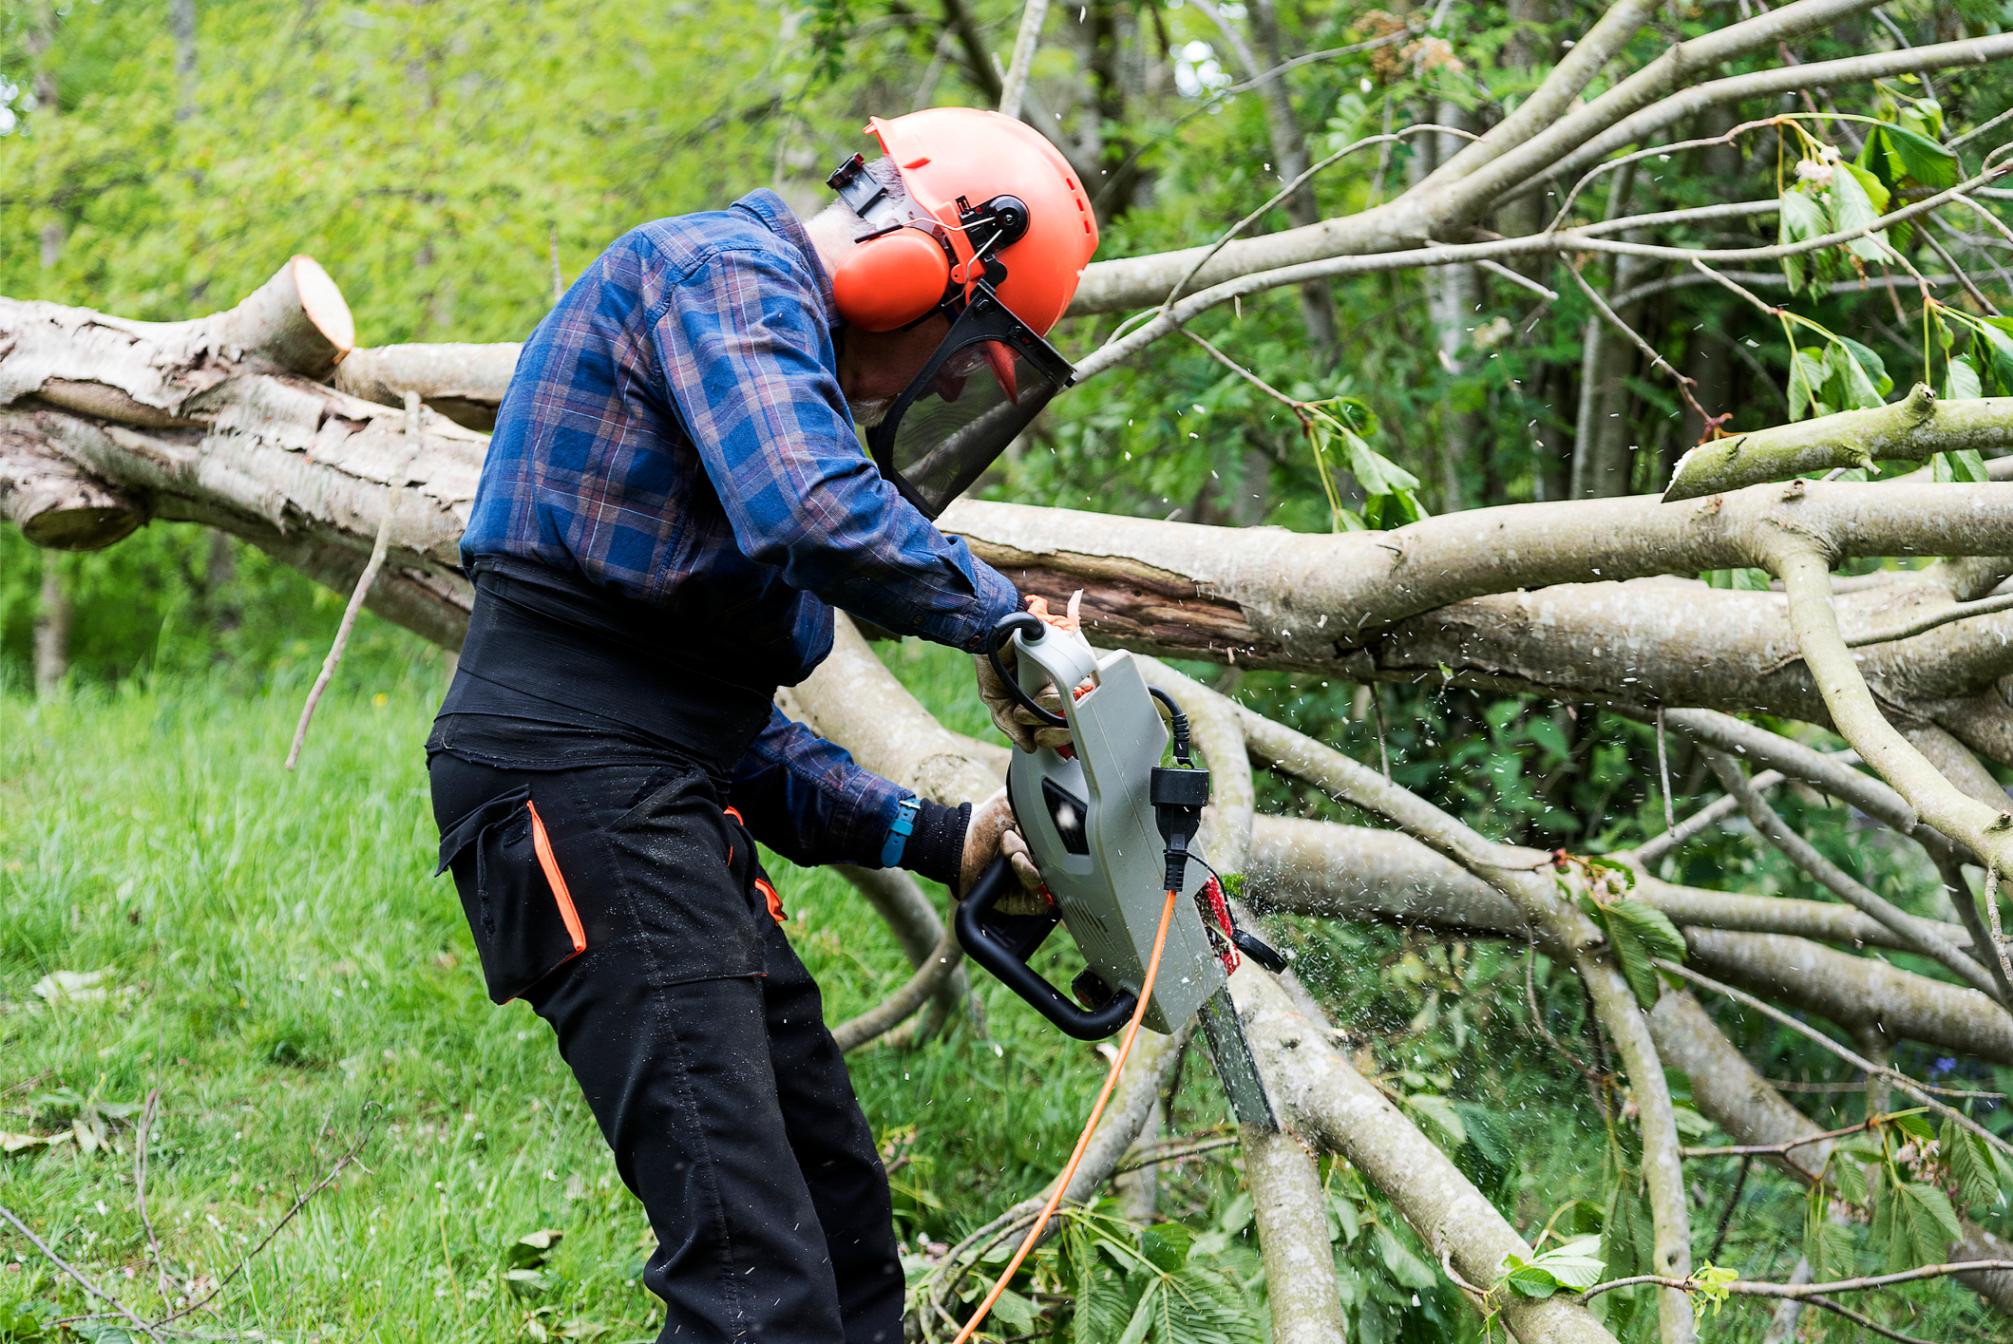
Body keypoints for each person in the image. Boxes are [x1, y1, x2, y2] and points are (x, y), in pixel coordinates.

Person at [424, 107, 1098, 1344]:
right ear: (928, 263)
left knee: (839, 1219)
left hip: (641, 783)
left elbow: (724, 728)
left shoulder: (758, 369)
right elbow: (811, 513)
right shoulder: (720, 277)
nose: (943, 384)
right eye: (962, 354)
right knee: (752, 1280)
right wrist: (1004, 626)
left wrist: (943, 834)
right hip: (573, 783)